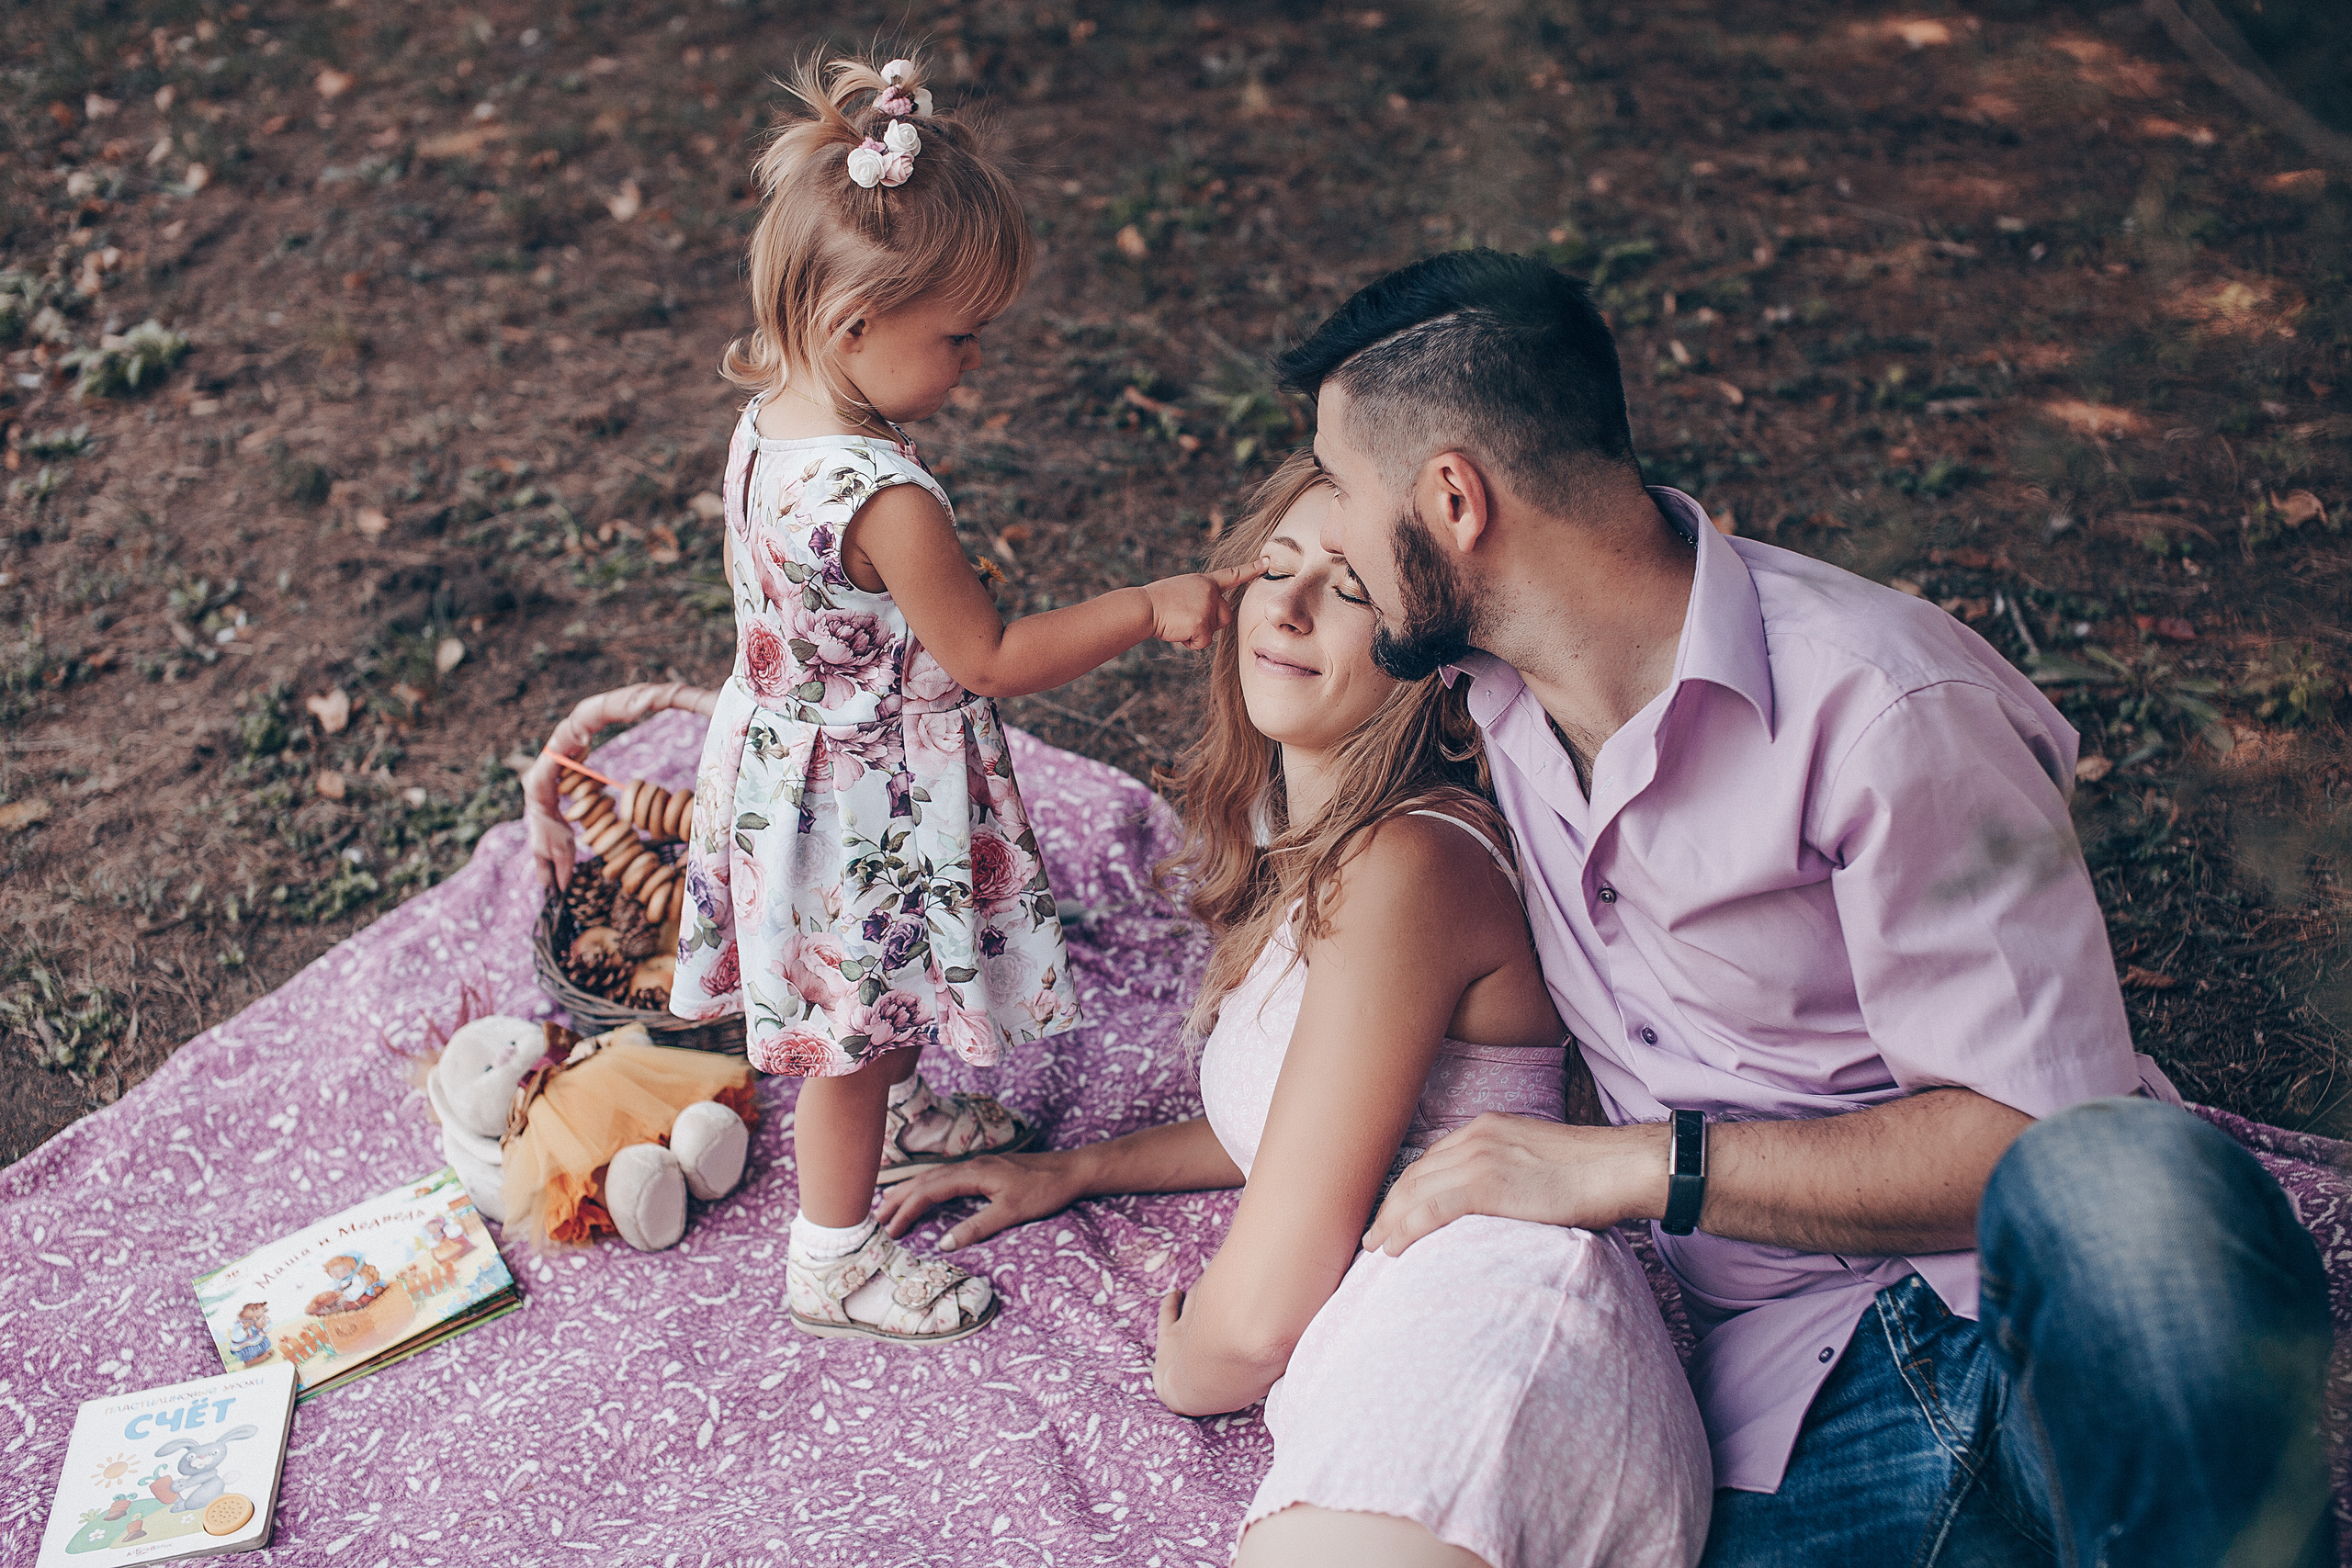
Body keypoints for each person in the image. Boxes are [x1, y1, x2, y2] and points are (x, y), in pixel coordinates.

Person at [1278, 250, 2331, 1567]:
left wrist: (1634, 1162)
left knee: (2128, 1175)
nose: (1331, 534)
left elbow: (2038, 1134)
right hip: (1789, 1421)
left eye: (1344, 488)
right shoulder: (1489, 700)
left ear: (1452, 497)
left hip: (2024, 1341)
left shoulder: (1888, 707)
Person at [877, 453, 1713, 1568]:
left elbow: (1251, 1327)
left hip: (1491, 1347)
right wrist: (1076, 1170)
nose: (1290, 602)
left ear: (1433, 661)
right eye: (1274, 566)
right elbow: (1318, 1125)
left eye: (1352, 587)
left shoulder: (1412, 860)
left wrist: (1189, 1367)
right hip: (1416, 1323)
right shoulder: (1315, 843)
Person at [653, 51, 1261, 1348]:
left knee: (883, 991)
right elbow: (987, 655)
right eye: (960, 335)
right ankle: (830, 1257)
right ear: (854, 321)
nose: (977, 361)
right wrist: (1145, 605)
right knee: (852, 1036)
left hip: (792, 766)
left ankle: (908, 1107)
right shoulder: (886, 499)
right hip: (861, 798)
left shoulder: (776, 416)